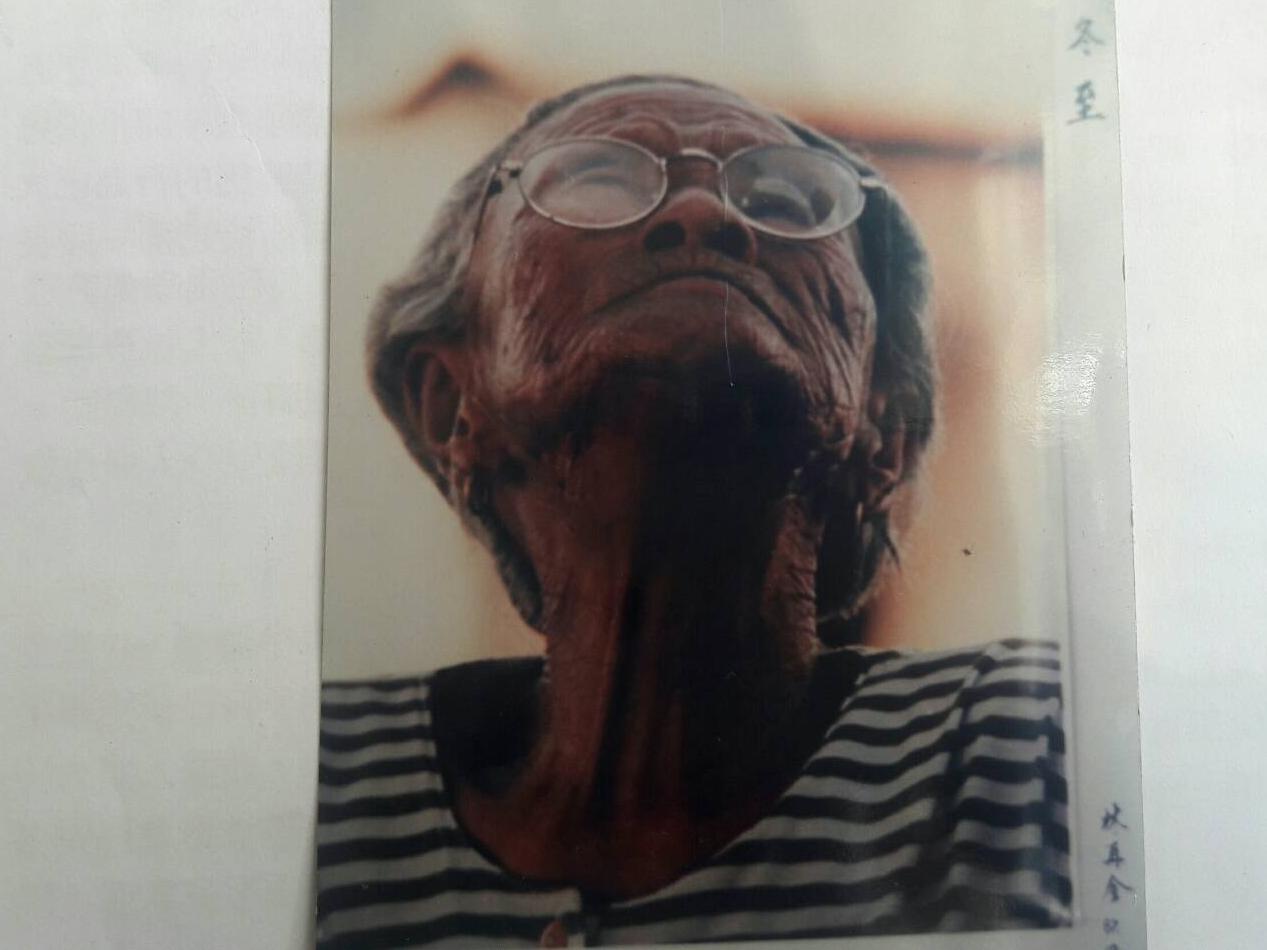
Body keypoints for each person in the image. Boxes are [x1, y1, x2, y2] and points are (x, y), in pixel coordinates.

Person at [317, 75, 1070, 948]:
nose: (705, 213)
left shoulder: (1014, 740)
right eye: (597, 180)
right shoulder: (331, 769)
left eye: (784, 200)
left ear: (884, 436)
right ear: (452, 404)